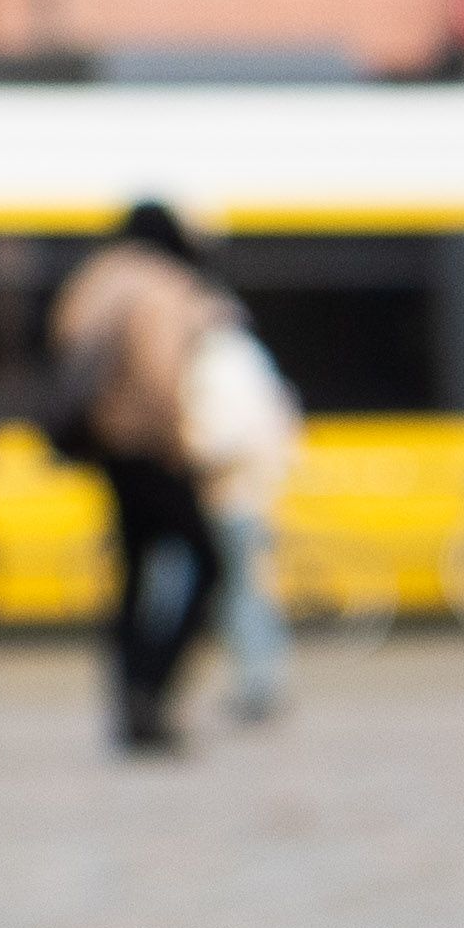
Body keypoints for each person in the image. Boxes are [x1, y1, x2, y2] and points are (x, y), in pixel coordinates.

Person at [53, 200, 234, 757]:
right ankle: (152, 692)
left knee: (130, 577)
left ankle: (126, 702)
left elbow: (65, 348)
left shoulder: (93, 279)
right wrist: (180, 446)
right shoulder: (162, 284)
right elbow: (160, 374)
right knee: (209, 564)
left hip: (107, 451)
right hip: (151, 448)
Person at [180, 302, 306, 728]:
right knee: (245, 590)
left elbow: (226, 432)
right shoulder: (246, 356)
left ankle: (254, 684)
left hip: (227, 495)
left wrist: (191, 458)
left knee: (232, 590)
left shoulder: (218, 364)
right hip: (247, 493)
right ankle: (258, 682)